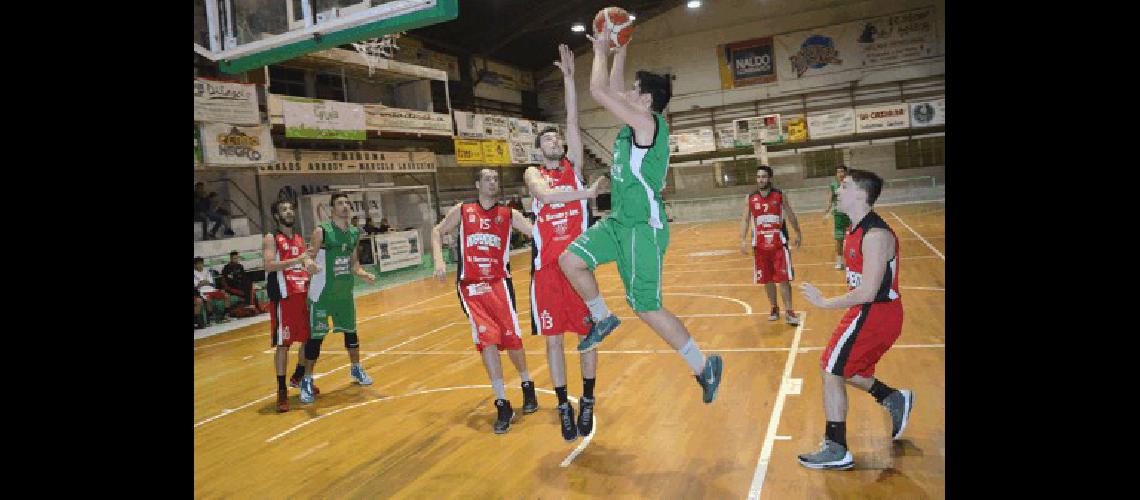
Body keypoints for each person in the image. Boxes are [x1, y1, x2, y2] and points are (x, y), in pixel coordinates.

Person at [558, 26, 723, 404]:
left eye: (633, 91)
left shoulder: (648, 126)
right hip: (620, 221)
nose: (625, 94)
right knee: (570, 260)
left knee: (646, 306)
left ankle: (703, 365)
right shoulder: (637, 121)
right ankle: (602, 316)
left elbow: (601, 91)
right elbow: (613, 88)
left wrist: (599, 47)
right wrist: (621, 48)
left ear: (646, 100)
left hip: (643, 229)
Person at [797, 169, 914, 470]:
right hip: (866, 312)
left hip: (877, 313)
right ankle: (892, 397)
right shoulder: (853, 229)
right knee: (845, 368)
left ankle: (837, 448)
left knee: (831, 369)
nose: (838, 189)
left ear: (861, 195)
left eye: (845, 186)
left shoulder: (876, 236)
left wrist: (825, 303)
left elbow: (868, 291)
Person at [525, 43, 606, 441]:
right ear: (539, 150)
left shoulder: (574, 166)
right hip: (546, 270)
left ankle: (587, 398)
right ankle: (562, 403)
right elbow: (545, 197)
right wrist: (586, 196)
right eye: (549, 140)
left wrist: (570, 80)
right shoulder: (532, 174)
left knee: (587, 336)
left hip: (577, 265)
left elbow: (574, 119)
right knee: (554, 341)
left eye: (558, 139)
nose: (556, 141)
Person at [431, 169, 539, 434]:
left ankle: (527, 385)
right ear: (478, 184)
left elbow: (538, 233)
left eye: (496, 179)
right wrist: (438, 260)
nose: (493, 183)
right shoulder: (463, 210)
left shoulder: (508, 214)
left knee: (513, 341)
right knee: (487, 340)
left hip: (500, 284)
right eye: (488, 179)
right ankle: (502, 402)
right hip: (470, 287)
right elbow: (437, 231)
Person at [297, 192, 378, 405]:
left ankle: (356, 369)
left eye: (347, 203)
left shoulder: (353, 233)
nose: (345, 206)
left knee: (351, 333)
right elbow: (307, 255)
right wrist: (309, 264)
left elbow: (353, 264)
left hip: (344, 294)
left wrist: (364, 274)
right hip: (322, 294)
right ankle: (306, 380)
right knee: (316, 338)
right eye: (340, 203)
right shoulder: (321, 231)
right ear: (332, 208)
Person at [263, 200, 321, 412]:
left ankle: (298, 377)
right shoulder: (272, 238)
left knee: (307, 339)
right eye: (283, 210)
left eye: (290, 209)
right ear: (277, 216)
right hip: (284, 298)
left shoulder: (298, 238)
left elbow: (304, 261)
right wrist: (297, 259)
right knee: (284, 344)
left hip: (302, 295)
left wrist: (310, 266)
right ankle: (281, 391)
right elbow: (268, 265)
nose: (288, 212)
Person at [739, 165, 803, 326]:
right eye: (758, 176)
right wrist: (742, 239)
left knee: (783, 279)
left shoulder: (780, 195)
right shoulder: (750, 198)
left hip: (779, 244)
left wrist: (798, 232)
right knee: (767, 279)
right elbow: (745, 219)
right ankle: (774, 307)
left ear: (769, 178)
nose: (761, 179)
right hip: (759, 246)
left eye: (764, 176)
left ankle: (789, 311)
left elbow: (790, 214)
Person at [823, 166, 852, 270]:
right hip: (839, 216)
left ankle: (853, 260)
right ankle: (839, 262)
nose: (840, 173)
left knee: (853, 239)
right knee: (839, 239)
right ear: (836, 174)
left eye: (842, 171)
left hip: (850, 215)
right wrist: (826, 213)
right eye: (838, 172)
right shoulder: (833, 185)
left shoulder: (851, 185)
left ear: (846, 173)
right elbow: (830, 201)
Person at [194, 257, 230, 323]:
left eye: (201, 263)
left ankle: (226, 315)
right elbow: (196, 286)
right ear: (195, 265)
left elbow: (211, 283)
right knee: (208, 299)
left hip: (212, 289)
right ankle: (210, 317)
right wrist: (203, 283)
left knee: (226, 295)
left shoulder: (207, 271)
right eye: (198, 264)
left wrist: (202, 282)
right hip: (202, 291)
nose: (200, 265)